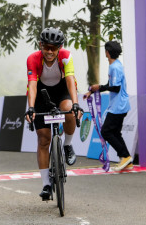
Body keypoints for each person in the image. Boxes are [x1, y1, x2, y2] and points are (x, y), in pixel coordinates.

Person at [25, 27, 82, 201]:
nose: (50, 51)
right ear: (40, 45)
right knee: (43, 139)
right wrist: (31, 108)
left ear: (60, 48)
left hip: (61, 90)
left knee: (69, 110)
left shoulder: (66, 56)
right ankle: (46, 185)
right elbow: (32, 84)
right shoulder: (33, 59)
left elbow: (70, 80)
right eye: (46, 47)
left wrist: (76, 104)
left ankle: (67, 145)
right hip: (41, 93)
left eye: (54, 48)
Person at [84, 40, 133, 171]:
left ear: (108, 52)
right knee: (115, 133)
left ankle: (125, 156)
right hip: (119, 105)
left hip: (118, 106)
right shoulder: (115, 65)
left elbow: (116, 88)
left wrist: (99, 87)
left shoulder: (114, 67)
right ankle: (126, 160)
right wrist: (93, 90)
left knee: (106, 131)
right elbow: (110, 85)